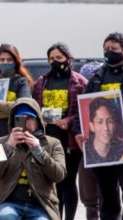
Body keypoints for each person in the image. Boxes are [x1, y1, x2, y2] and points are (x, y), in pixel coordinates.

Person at [73, 32, 123, 220]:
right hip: (103, 148)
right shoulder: (98, 77)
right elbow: (81, 108)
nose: (109, 53)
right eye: (106, 49)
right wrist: (78, 131)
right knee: (107, 195)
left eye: (113, 49)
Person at [32, 42, 87, 220]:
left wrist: (69, 121)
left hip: (69, 139)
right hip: (48, 138)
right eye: (51, 58)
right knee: (52, 182)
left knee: (68, 182)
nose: (55, 61)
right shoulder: (41, 82)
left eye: (59, 58)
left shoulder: (80, 82)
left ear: (68, 58)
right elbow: (35, 107)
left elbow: (85, 110)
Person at [0, 97, 66, 220]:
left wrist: (39, 151)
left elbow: (59, 175)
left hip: (41, 204)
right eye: (20, 119)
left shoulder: (53, 143)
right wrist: (9, 147)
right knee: (5, 217)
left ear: (38, 121)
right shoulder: (1, 142)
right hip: (9, 202)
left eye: (30, 118)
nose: (26, 123)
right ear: (13, 121)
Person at [0, 44, 33, 145]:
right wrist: (10, 110)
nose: (5, 62)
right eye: (2, 60)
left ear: (16, 62)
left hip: (13, 136)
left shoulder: (21, 81)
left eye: (9, 60)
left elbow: (21, 107)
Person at [78, 62, 102, 220]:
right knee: (89, 196)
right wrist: (76, 131)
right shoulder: (80, 99)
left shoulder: (109, 100)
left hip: (110, 150)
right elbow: (75, 118)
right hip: (86, 150)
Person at [85, 97, 123, 165]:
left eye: (110, 121)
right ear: (92, 126)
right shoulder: (85, 152)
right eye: (100, 122)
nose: (106, 127)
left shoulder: (122, 150)